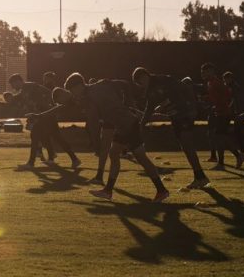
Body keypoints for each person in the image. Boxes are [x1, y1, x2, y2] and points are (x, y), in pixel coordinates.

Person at [64, 72, 169, 203]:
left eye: (72, 90)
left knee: (141, 157)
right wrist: (126, 101)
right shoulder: (100, 84)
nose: (73, 93)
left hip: (128, 124)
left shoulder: (89, 98)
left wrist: (96, 144)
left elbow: (94, 123)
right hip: (123, 125)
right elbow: (123, 84)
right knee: (114, 154)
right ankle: (108, 191)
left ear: (79, 86)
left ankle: (161, 190)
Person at [133, 68, 210, 190]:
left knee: (187, 144)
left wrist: (192, 107)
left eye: (141, 81)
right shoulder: (150, 91)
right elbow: (149, 109)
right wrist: (141, 126)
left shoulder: (163, 79)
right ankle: (200, 176)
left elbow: (182, 89)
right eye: (139, 83)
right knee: (185, 147)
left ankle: (200, 177)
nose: (142, 84)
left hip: (184, 113)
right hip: (175, 117)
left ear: (145, 75)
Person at [20, 87, 81, 169]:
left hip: (49, 119)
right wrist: (38, 115)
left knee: (36, 133)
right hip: (50, 119)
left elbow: (56, 109)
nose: (59, 103)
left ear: (62, 94)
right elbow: (56, 109)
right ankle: (73, 159)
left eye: (59, 101)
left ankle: (31, 162)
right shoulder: (70, 97)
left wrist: (38, 116)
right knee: (57, 138)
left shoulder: (76, 96)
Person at [200, 63, 244, 171]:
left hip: (224, 114)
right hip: (219, 113)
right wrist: (208, 100)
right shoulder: (210, 83)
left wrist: (220, 105)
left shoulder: (216, 83)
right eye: (202, 72)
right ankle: (224, 162)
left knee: (219, 137)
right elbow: (216, 97)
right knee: (219, 138)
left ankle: (236, 157)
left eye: (205, 72)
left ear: (211, 71)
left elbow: (228, 95)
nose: (203, 74)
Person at [7, 73, 57, 164]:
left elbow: (47, 92)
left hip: (41, 115)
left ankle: (35, 160)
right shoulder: (24, 89)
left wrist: (49, 104)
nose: (12, 87)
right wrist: (11, 99)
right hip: (37, 115)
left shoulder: (30, 86)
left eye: (12, 84)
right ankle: (49, 155)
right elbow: (20, 98)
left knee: (38, 136)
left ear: (18, 81)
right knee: (42, 136)